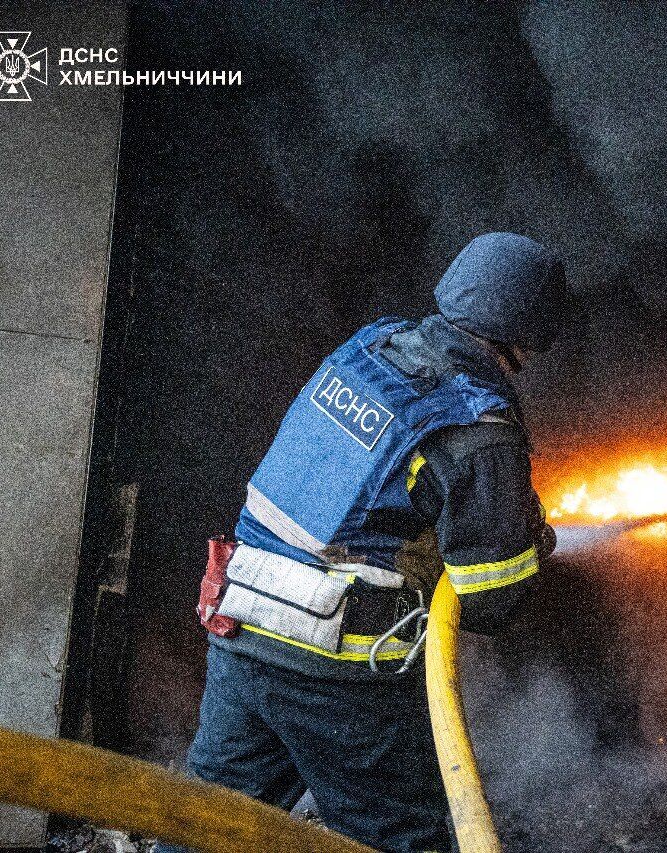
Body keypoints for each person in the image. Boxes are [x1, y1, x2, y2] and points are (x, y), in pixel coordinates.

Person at [159, 232, 566, 853]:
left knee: (206, 828)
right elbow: (492, 600)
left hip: (242, 625)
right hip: (338, 672)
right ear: (528, 335)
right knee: (396, 838)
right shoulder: (477, 426)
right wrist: (529, 542)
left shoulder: (369, 349)